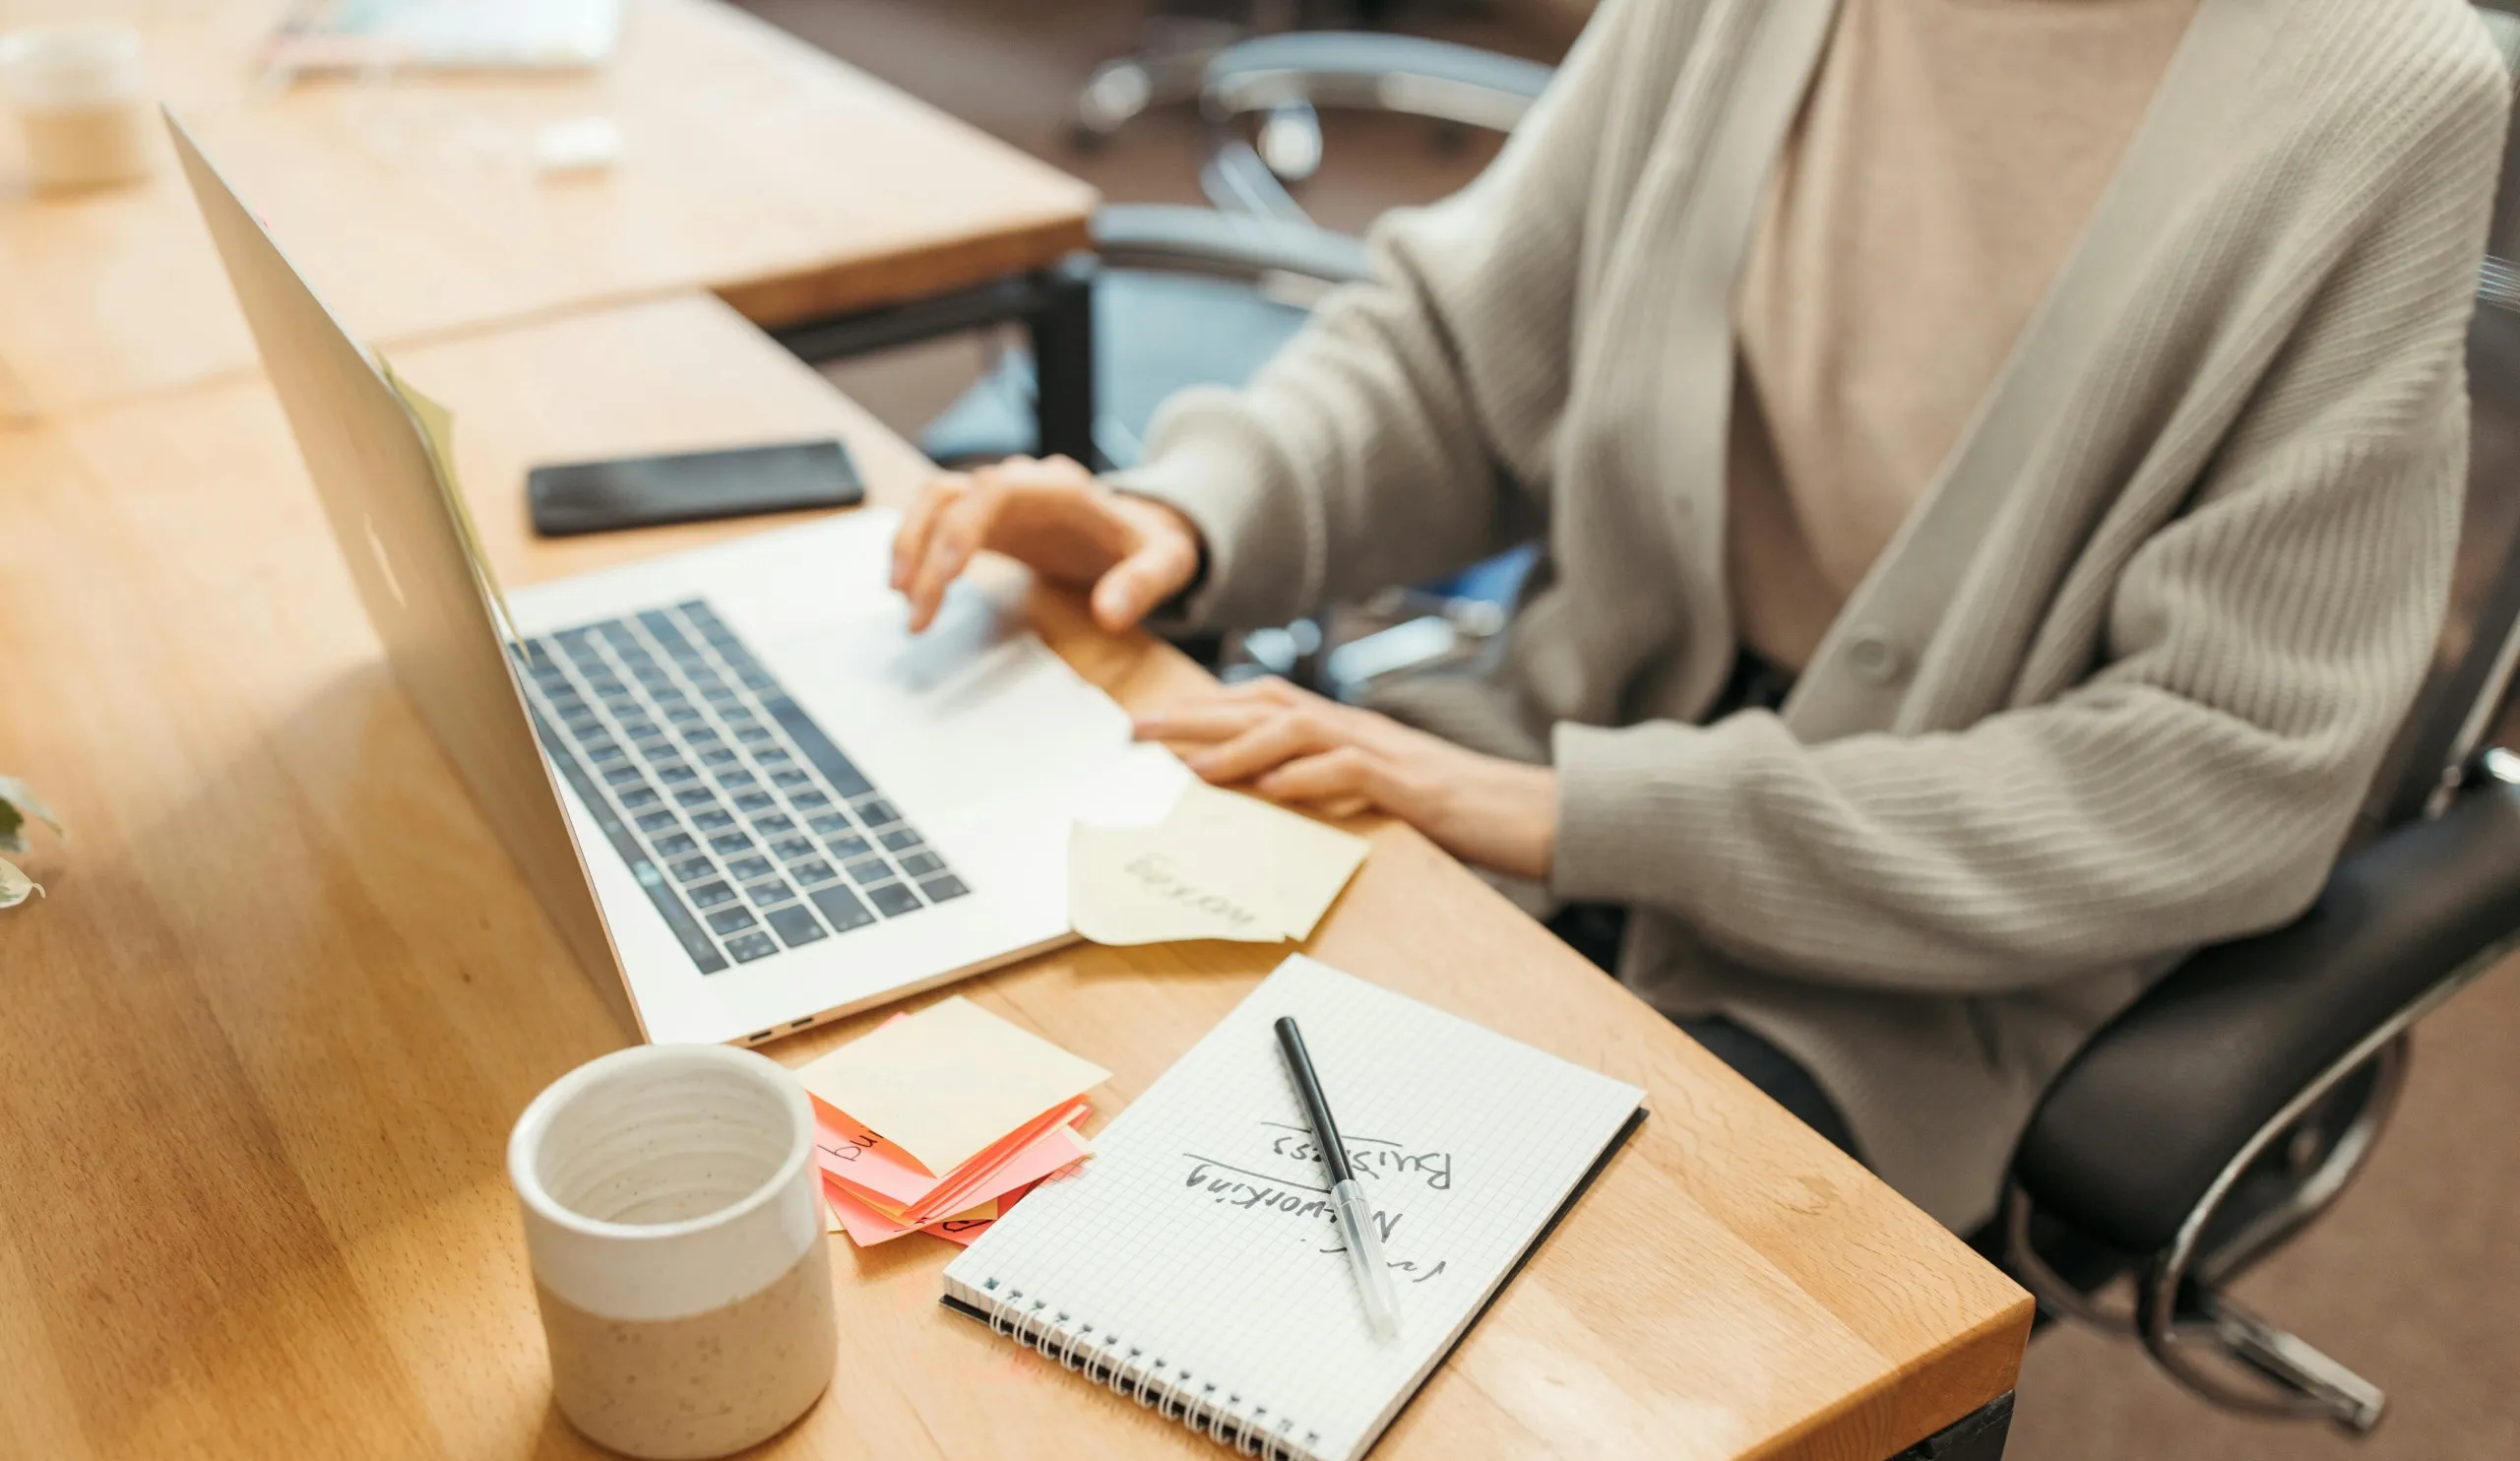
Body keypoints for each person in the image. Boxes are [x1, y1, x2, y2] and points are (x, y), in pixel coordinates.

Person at [889, 0, 2510, 1233]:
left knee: (1440, 1346)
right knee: (1058, 1103)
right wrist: (1190, 512)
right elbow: (1467, 357)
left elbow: (2225, 778)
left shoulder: (2376, 86)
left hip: (1923, 968)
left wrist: (1588, 812)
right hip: (1542, 767)